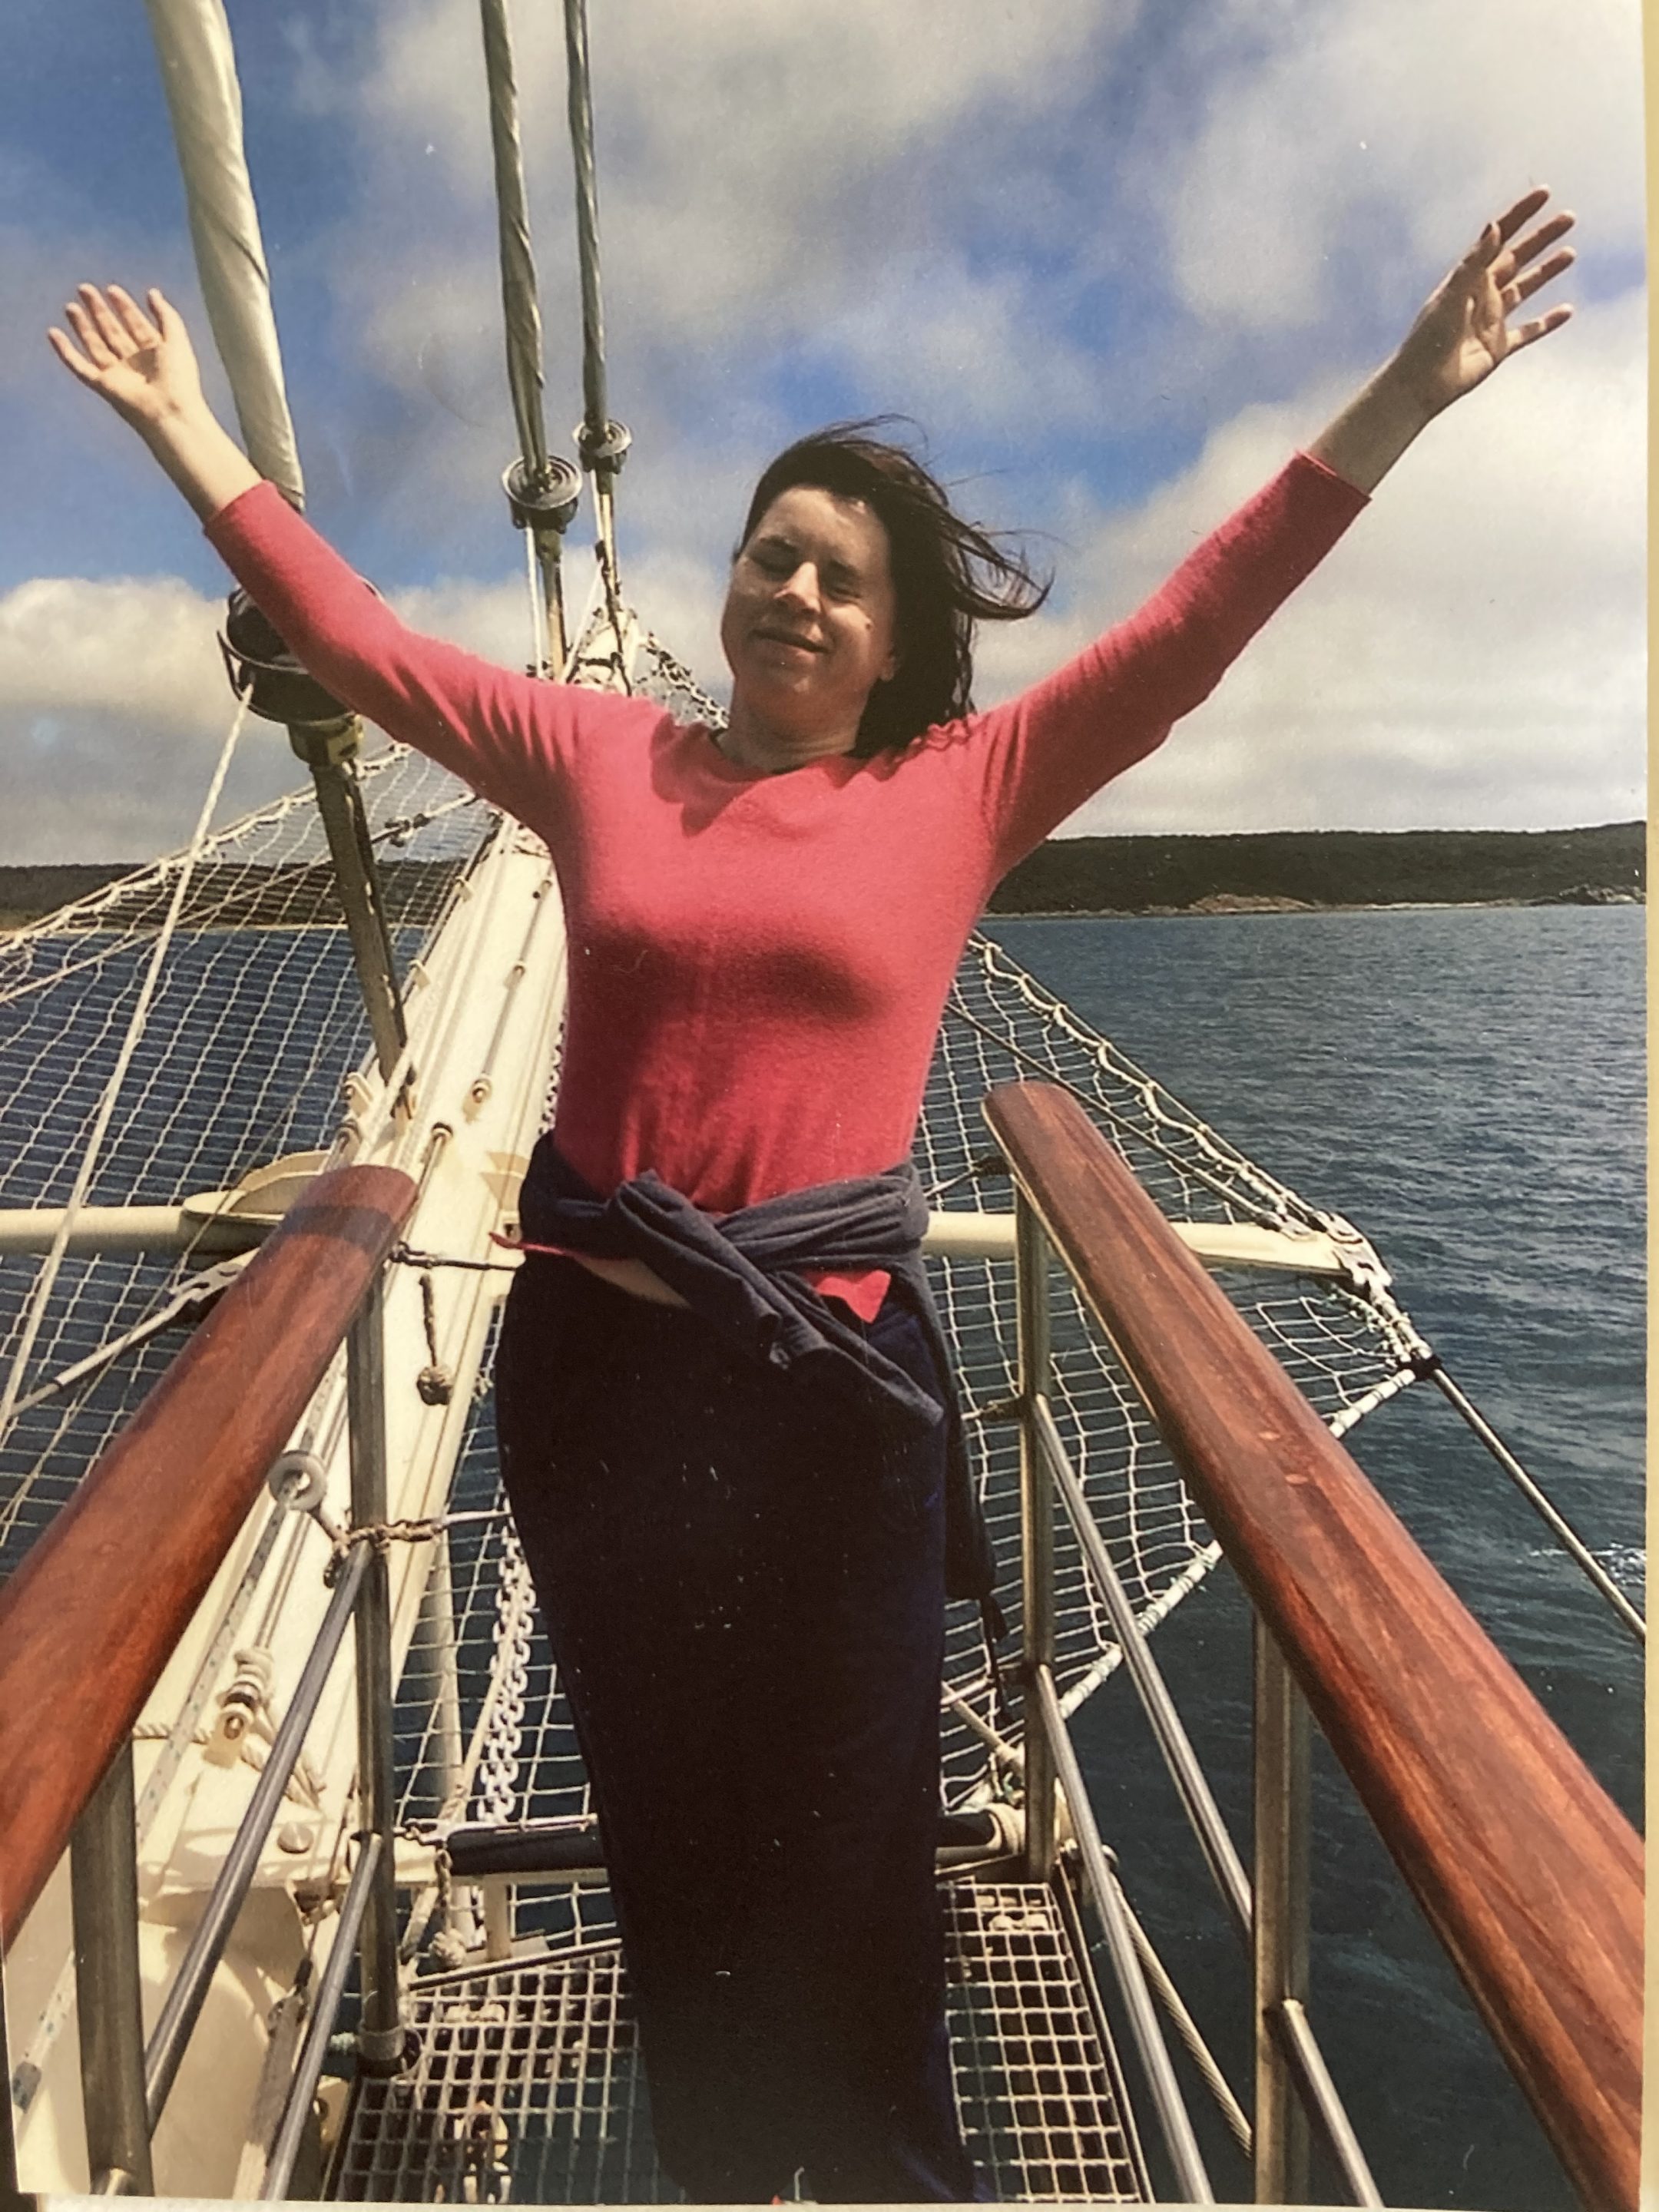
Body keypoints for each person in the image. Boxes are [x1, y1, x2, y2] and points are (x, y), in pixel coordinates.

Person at [51, 187, 1574, 2203]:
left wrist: (1407, 388)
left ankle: (890, 2182)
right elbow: (365, 647)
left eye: (840, 578)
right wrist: (186, 425)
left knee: (857, 1844)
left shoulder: (959, 793)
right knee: (675, 1837)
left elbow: (1200, 628)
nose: (792, 590)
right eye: (773, 551)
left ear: (897, 639)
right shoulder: (603, 760)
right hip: (602, 1389)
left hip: (834, 1399)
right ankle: (725, 2176)